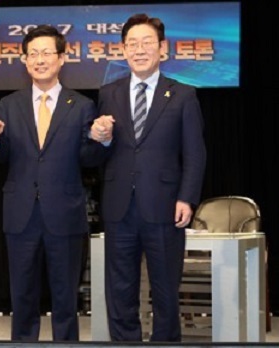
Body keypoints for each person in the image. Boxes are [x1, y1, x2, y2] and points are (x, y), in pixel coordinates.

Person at [0, 25, 109, 341]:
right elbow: (2, 156)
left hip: (64, 213)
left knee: (66, 297)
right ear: (24, 60)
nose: (40, 60)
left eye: (46, 53)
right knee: (22, 296)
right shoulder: (9, 104)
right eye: (32, 54)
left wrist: (99, 140)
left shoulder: (81, 105)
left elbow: (87, 159)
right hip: (20, 213)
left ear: (62, 58)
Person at [92, 13, 207, 342]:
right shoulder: (108, 93)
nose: (139, 50)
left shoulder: (183, 95)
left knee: (166, 291)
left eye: (146, 43)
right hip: (119, 208)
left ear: (162, 48)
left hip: (166, 209)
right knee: (120, 291)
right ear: (123, 50)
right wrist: (99, 138)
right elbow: (101, 152)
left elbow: (195, 153)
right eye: (132, 44)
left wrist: (187, 197)